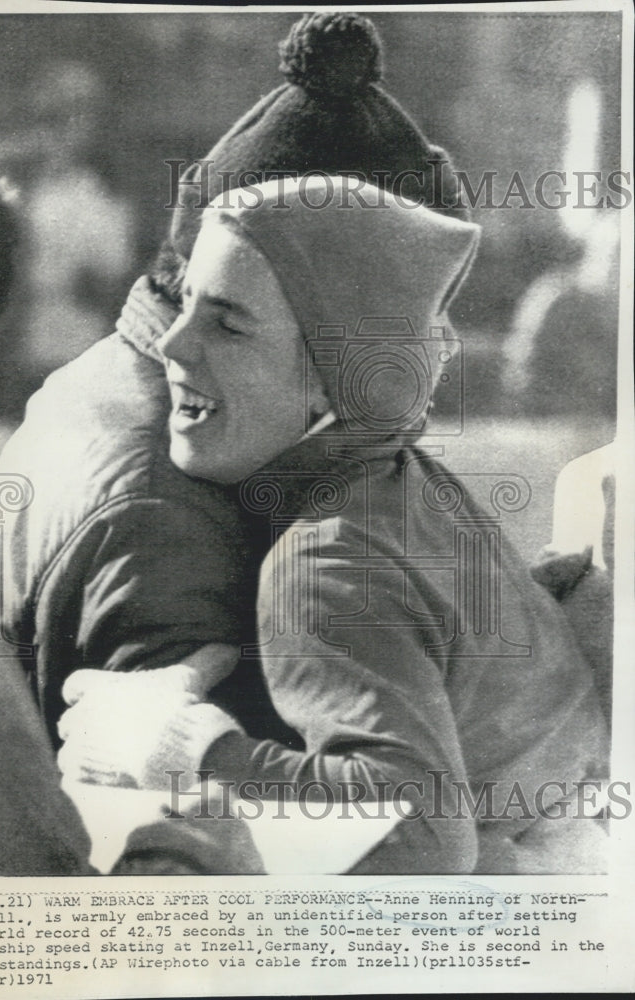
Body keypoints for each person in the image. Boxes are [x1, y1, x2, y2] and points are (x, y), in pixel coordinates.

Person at [58, 176, 610, 875]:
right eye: (186, 302)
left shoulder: (321, 559)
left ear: (339, 379)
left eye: (226, 323)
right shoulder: (409, 484)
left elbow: (419, 838)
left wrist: (188, 750)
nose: (171, 342)